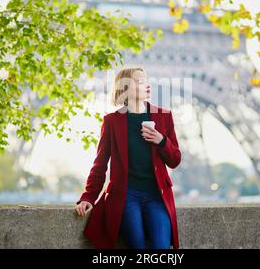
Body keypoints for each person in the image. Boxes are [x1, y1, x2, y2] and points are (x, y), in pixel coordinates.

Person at [75, 67, 181, 249]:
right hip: (126, 196)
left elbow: (175, 160)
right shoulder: (111, 121)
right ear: (125, 88)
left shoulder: (164, 116)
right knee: (136, 247)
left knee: (161, 248)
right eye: (139, 81)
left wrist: (161, 141)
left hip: (157, 194)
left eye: (145, 80)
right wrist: (88, 197)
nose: (146, 84)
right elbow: (100, 165)